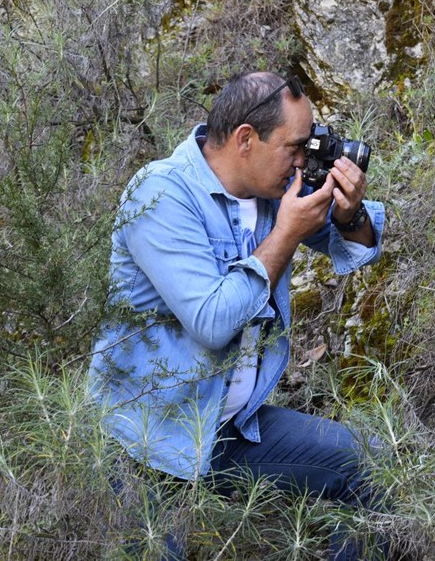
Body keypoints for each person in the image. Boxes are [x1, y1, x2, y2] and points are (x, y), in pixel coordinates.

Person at [89, 71, 387, 560]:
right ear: (246, 139)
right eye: (295, 147)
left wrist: (349, 213)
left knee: (375, 463)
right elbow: (211, 322)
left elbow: (355, 248)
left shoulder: (271, 190)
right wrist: (287, 234)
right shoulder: (161, 194)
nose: (304, 161)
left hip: (230, 430)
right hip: (145, 443)